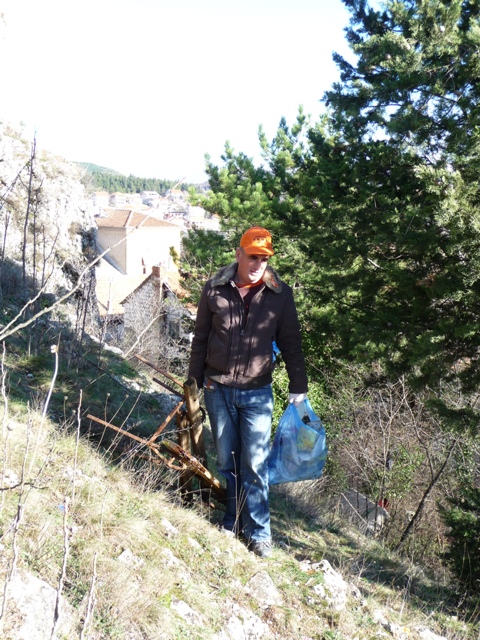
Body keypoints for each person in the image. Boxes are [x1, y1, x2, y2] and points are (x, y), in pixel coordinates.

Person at [188, 226, 308, 557]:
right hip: (217, 388)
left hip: (257, 393)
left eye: (264, 259)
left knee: (254, 463)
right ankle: (233, 519)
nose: (258, 264)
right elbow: (201, 338)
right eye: (253, 257)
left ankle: (259, 532)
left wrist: (298, 387)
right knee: (228, 460)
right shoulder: (214, 289)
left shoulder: (279, 295)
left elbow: (291, 343)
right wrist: (193, 383)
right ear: (238, 254)